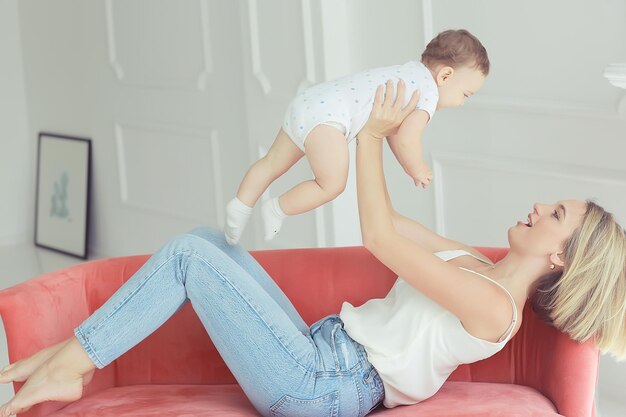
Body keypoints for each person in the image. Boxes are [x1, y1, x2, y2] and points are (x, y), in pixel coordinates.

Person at [1, 82, 625, 417]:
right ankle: (67, 354)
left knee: (190, 259)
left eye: (557, 215)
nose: (541, 206)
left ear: (561, 258)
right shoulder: (475, 265)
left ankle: (70, 365)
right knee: (205, 242)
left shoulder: (495, 309)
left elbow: (378, 238)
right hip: (320, 353)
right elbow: (394, 224)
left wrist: (369, 138)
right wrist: (373, 132)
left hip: (321, 386)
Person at [224, 29, 489, 244]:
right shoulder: (428, 94)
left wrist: (406, 166)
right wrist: (417, 167)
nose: (461, 103)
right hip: (329, 119)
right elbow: (408, 138)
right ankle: (277, 208)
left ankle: (240, 206)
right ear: (445, 75)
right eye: (465, 95)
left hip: (310, 102)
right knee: (331, 184)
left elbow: (393, 132)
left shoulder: (409, 73)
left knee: (271, 162)